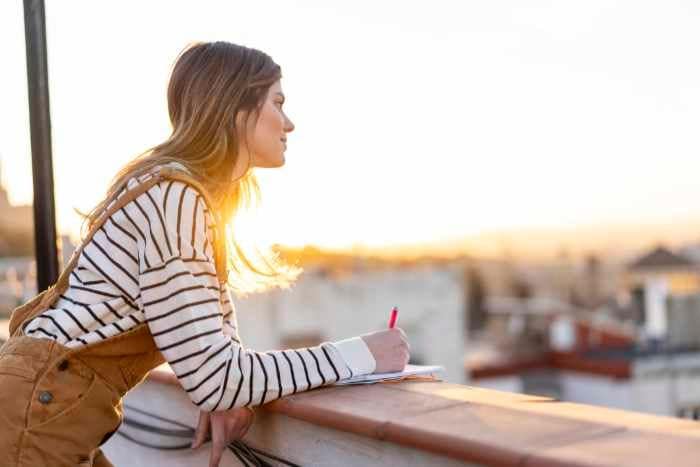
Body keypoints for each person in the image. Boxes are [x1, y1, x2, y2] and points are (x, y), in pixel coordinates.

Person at [0, 41, 411, 467]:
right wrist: (362, 354)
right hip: (40, 411)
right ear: (235, 108)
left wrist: (227, 392)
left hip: (46, 407)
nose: (289, 123)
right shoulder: (176, 198)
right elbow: (218, 380)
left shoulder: (183, 196)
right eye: (278, 102)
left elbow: (216, 349)